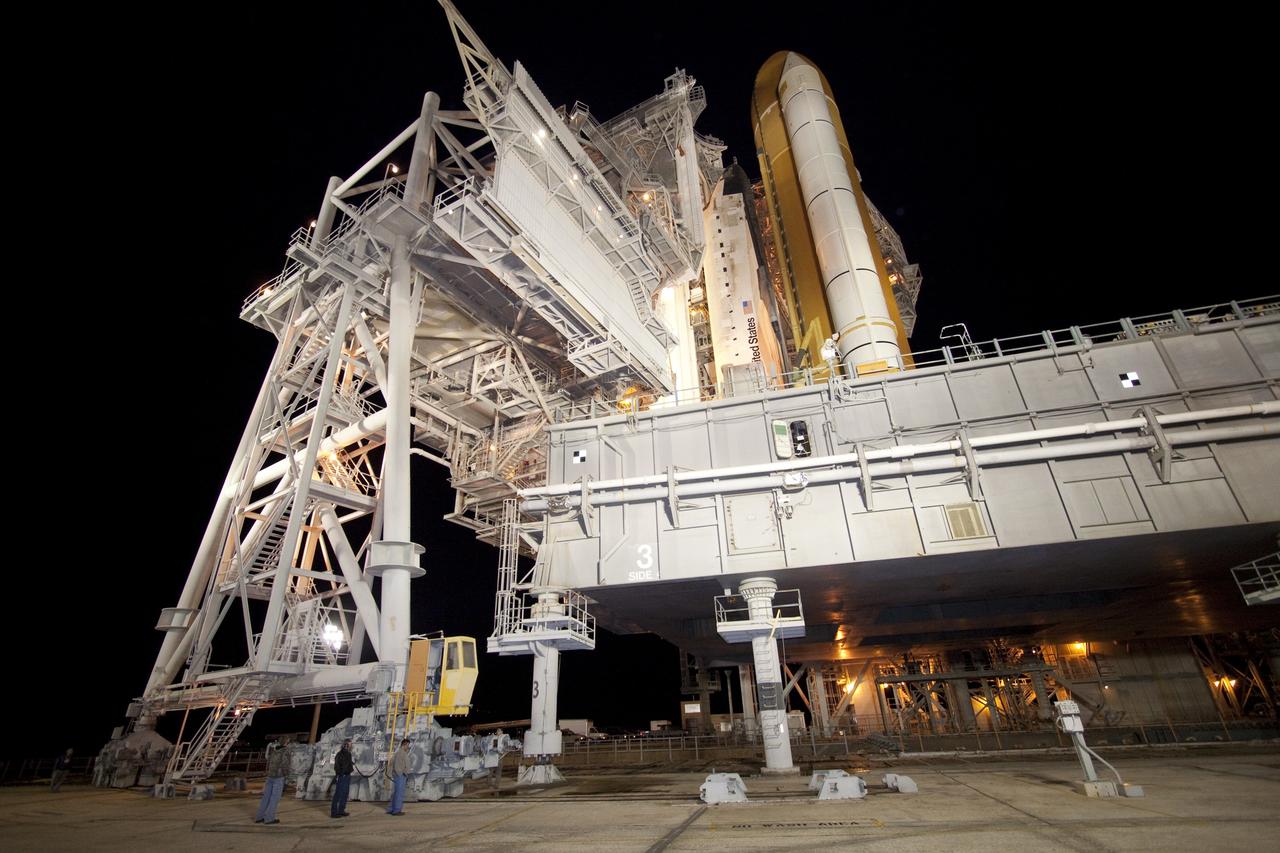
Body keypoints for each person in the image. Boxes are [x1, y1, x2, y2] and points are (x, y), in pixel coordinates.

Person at [255, 737, 291, 825]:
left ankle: (259, 817)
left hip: (270, 775)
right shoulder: (285, 751)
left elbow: (268, 760)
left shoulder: (274, 750)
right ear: (286, 743)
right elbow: (285, 765)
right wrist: (287, 775)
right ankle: (269, 818)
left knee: (266, 797)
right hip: (278, 777)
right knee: (275, 798)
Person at [385, 738, 411, 816]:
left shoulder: (399, 752)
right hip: (400, 776)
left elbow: (393, 764)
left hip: (399, 775)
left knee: (395, 793)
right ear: (404, 745)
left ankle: (391, 809)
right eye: (408, 745)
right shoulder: (401, 753)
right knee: (399, 794)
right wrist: (401, 774)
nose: (408, 747)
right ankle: (396, 810)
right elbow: (397, 765)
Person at [330, 739, 353, 818]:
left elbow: (347, 764)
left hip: (347, 776)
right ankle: (334, 812)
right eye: (350, 744)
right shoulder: (340, 754)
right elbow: (337, 766)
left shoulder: (348, 754)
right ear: (346, 745)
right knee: (338, 794)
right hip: (342, 776)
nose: (351, 745)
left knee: (345, 794)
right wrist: (340, 774)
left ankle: (341, 810)